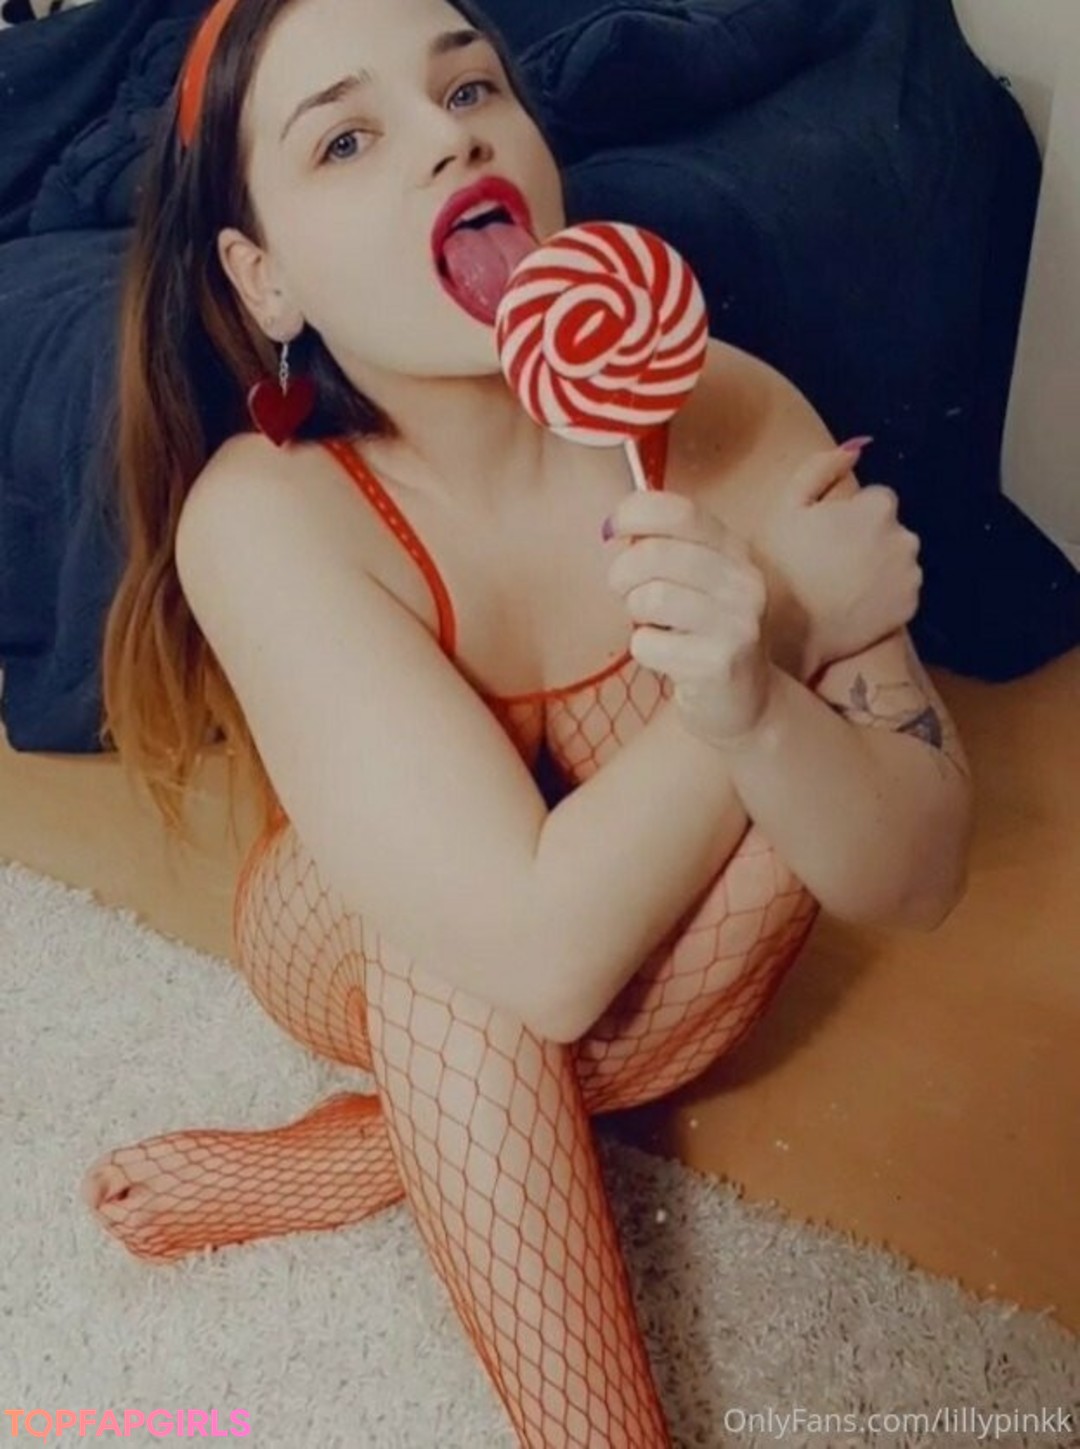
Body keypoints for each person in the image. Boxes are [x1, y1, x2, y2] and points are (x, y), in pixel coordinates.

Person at [80, 0, 975, 1441]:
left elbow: (919, 873)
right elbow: (537, 960)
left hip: (663, 950)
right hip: (360, 942)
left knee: (790, 801)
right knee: (454, 965)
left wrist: (761, 701)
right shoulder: (268, 514)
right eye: (348, 140)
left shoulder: (730, 413)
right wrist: (784, 627)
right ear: (264, 277)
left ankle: (376, 1150)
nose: (451, 140)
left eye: (471, 88)